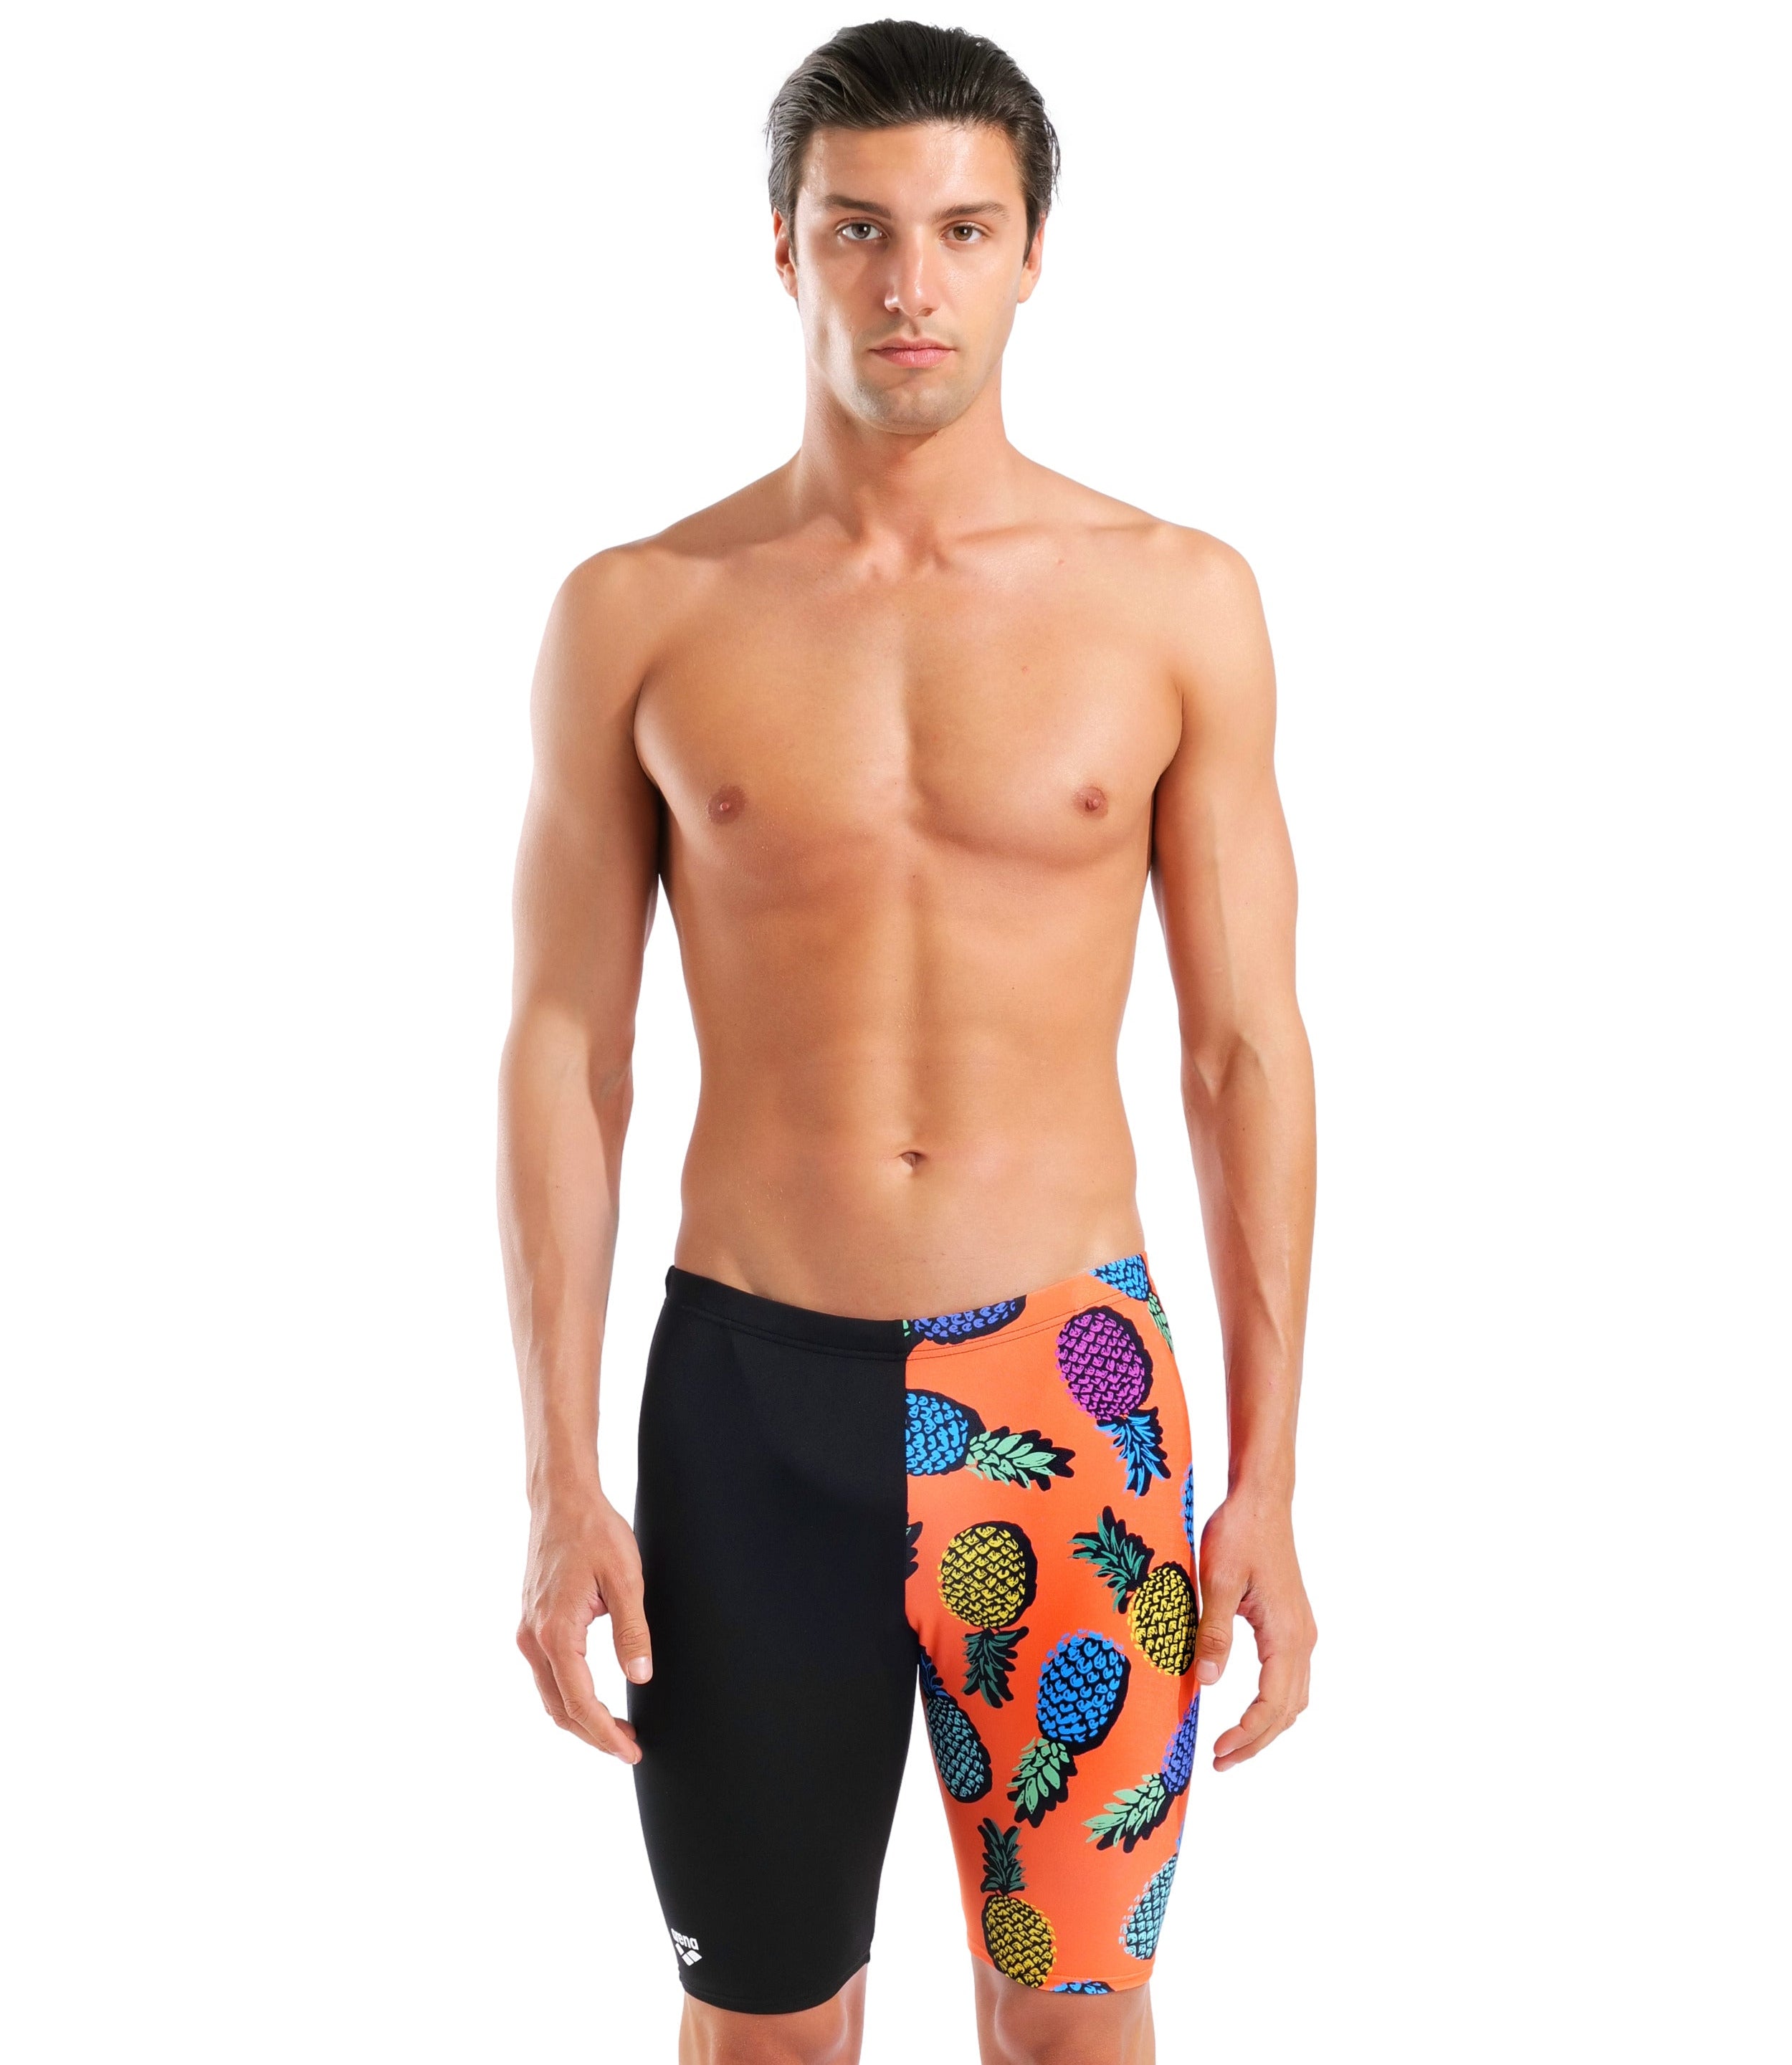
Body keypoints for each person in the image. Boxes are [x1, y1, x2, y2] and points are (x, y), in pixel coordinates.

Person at [498, 21, 1317, 2065]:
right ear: (781, 247)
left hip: (1074, 1385)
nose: (909, 284)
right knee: (767, 2030)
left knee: (1074, 2019)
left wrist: (1272, 1481)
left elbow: (1242, 1052)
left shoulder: (1175, 603)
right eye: (859, 229)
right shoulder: (642, 612)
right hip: (744, 1401)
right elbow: (566, 1052)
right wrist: (556, 1475)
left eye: (961, 229)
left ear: (1035, 254)